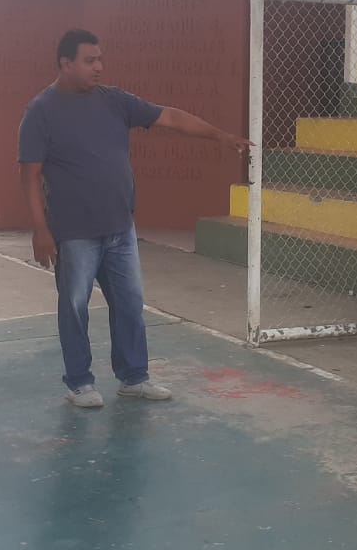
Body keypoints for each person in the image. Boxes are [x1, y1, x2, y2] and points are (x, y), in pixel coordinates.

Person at [19, 28, 251, 408]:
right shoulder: (41, 112)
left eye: (100, 59)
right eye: (89, 61)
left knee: (130, 304)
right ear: (65, 63)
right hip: (75, 233)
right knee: (74, 307)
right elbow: (29, 176)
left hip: (120, 230)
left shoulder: (114, 101)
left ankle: (133, 378)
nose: (99, 67)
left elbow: (169, 117)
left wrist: (218, 136)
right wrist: (40, 229)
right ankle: (80, 383)